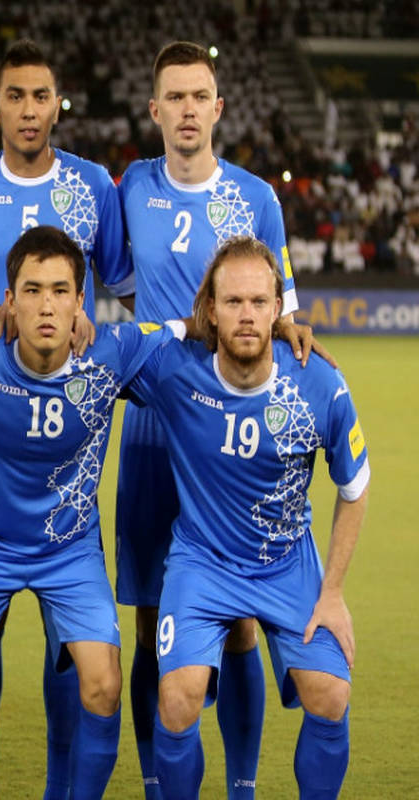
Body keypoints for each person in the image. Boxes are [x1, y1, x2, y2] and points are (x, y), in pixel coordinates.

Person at [0, 40, 133, 800]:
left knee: (70, 654)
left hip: (68, 423)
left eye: (42, 96)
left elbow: (128, 294)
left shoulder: (93, 187)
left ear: (57, 104)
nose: (30, 110)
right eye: (15, 96)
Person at [0, 226, 182, 800]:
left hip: (69, 550)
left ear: (80, 301)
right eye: (32, 290)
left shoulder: (111, 353)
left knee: (103, 685)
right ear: (9, 301)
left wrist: (278, 325)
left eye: (60, 291)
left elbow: (195, 331)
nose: (46, 305)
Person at [116, 41, 299, 798]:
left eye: (200, 96)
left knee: (241, 617)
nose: (188, 110)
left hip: (232, 442)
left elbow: (285, 317)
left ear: (218, 107)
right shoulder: (129, 189)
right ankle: (158, 781)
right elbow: (107, 281)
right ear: (154, 110)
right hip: (153, 432)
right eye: (175, 97)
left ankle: (242, 786)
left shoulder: (257, 199)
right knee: (150, 618)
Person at [124, 236, 367, 799]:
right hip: (202, 561)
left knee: (331, 694)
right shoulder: (176, 372)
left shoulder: (319, 384)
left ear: (279, 308)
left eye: (260, 302)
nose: (248, 315)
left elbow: (354, 489)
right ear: (210, 309)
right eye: (233, 302)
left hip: (285, 561)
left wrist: (332, 592)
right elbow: (106, 353)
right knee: (178, 697)